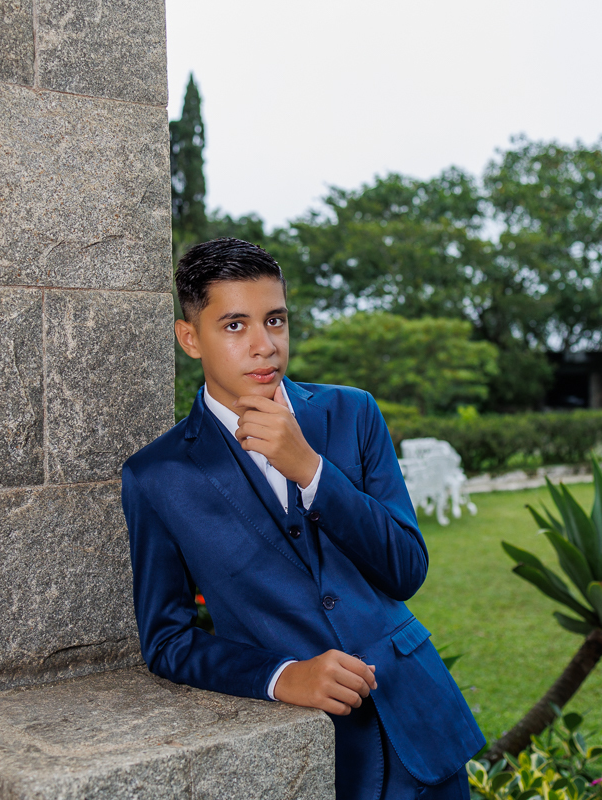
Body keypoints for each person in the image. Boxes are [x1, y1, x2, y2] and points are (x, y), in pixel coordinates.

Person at [122, 238, 484, 799]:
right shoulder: (157, 475)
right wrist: (282, 676)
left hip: (419, 723)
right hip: (315, 753)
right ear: (190, 338)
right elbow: (168, 640)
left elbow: (407, 569)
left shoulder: (353, 413)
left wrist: (314, 473)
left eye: (275, 320)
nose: (265, 345)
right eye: (235, 325)